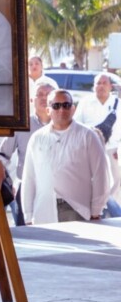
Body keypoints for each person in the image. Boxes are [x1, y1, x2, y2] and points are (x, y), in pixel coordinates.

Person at [22, 90, 111, 224]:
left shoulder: (88, 135)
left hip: (78, 210)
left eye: (66, 105)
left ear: (73, 109)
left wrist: (96, 210)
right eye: (56, 106)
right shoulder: (37, 138)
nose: (62, 109)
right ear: (48, 110)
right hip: (44, 211)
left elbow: (101, 174)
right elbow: (29, 177)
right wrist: (28, 214)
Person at [0, 81, 56, 226]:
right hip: (27, 189)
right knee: (25, 236)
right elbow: (2, 156)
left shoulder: (65, 126)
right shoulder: (21, 125)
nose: (44, 98)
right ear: (32, 100)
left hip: (57, 191)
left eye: (48, 95)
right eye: (40, 95)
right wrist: (8, 181)